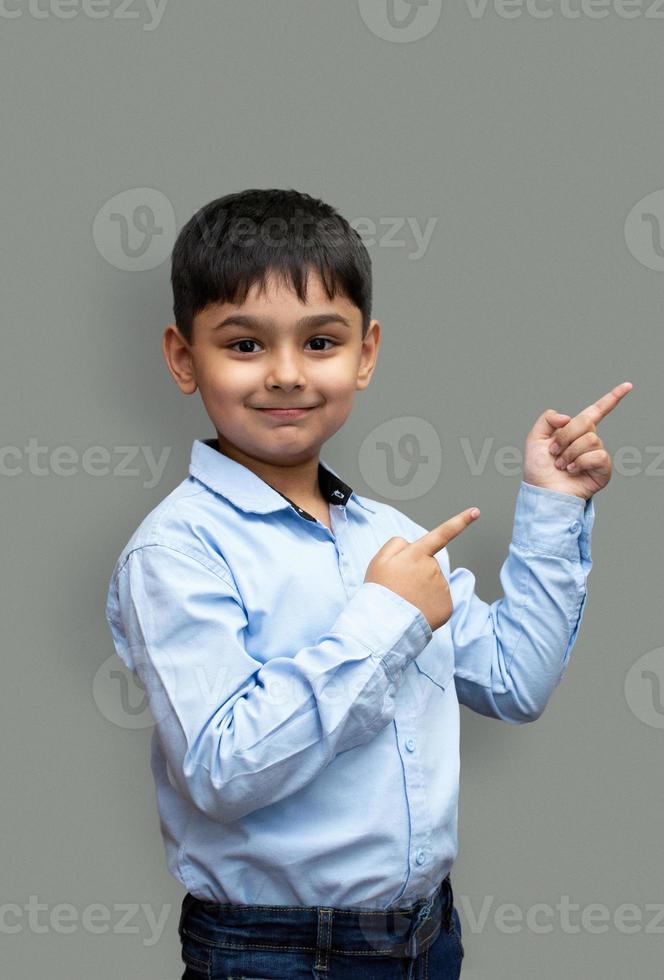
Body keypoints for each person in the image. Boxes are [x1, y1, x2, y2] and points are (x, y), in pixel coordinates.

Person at [103, 188, 632, 978]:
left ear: (367, 353)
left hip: (427, 937)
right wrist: (385, 617)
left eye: (321, 341)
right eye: (244, 345)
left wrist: (553, 506)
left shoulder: (391, 535)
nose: (286, 375)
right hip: (272, 955)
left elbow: (516, 681)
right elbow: (221, 768)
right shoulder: (176, 552)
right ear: (184, 359)